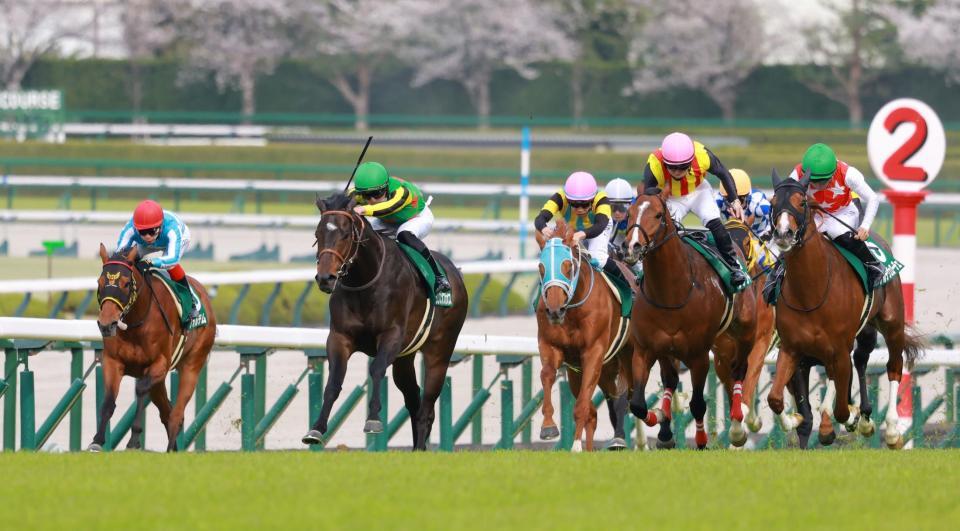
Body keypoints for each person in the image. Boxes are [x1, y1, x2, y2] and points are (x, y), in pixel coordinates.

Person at [642, 132, 750, 288]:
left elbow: (724, 174)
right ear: (665, 162)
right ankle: (646, 271)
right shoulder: (654, 163)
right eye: (672, 167)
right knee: (661, 232)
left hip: (699, 191)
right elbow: (649, 193)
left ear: (691, 161)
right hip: (671, 197)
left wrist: (735, 201)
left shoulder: (702, 155)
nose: (677, 172)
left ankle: (734, 267)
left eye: (683, 167)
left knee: (716, 224)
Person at [349, 161, 451, 298]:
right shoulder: (359, 193)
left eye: (377, 194)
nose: (372, 199)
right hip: (387, 220)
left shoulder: (402, 192)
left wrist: (363, 208)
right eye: (367, 196)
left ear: (385, 188)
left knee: (403, 235)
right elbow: (345, 200)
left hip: (416, 218)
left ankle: (439, 277)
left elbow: (389, 207)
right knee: (363, 235)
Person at [789, 143, 884, 287]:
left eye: (822, 181)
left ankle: (873, 264)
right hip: (815, 213)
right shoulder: (796, 175)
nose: (818, 186)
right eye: (813, 181)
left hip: (843, 212)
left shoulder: (849, 174)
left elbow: (873, 198)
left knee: (835, 231)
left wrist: (865, 226)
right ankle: (777, 272)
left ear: (833, 173)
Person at [534, 171, 628, 285]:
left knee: (598, 257)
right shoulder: (560, 197)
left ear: (592, 199)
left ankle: (626, 285)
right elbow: (540, 218)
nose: (579, 209)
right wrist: (543, 228)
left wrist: (582, 234)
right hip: (573, 227)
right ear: (568, 199)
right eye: (574, 204)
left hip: (598, 227)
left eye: (584, 204)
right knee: (555, 252)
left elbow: (600, 225)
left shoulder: (602, 199)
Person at [116, 199, 198, 320]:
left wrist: (150, 263)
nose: (147, 236)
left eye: (151, 231)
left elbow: (173, 259)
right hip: (148, 243)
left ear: (160, 226)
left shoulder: (172, 229)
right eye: (143, 232)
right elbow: (120, 254)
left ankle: (190, 302)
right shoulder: (130, 229)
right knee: (129, 258)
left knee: (170, 266)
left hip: (178, 238)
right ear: (136, 228)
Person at [604, 177, 643, 278]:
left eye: (622, 208)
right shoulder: (601, 211)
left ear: (630, 205)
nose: (617, 212)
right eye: (613, 207)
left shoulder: (638, 211)